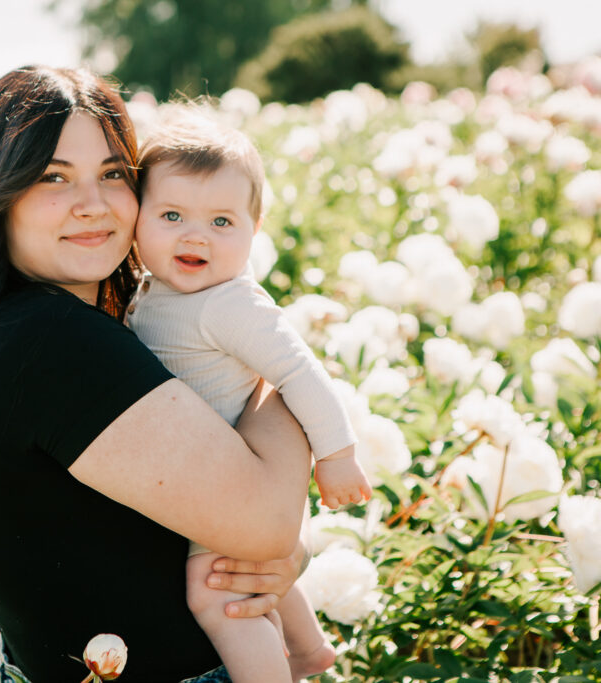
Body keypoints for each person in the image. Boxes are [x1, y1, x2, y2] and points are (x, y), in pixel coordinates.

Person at [0, 65, 313, 682]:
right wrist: (283, 365)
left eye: (113, 174)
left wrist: (281, 554)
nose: (93, 204)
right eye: (53, 177)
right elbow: (267, 520)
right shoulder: (49, 341)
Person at [127, 107, 373, 681]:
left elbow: (301, 374)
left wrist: (336, 456)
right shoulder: (151, 288)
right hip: (202, 472)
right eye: (171, 215)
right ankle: (310, 650)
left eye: (222, 222)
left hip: (231, 479)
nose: (196, 235)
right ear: (137, 219)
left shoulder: (231, 303)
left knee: (220, 596)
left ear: (253, 230)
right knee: (255, 572)